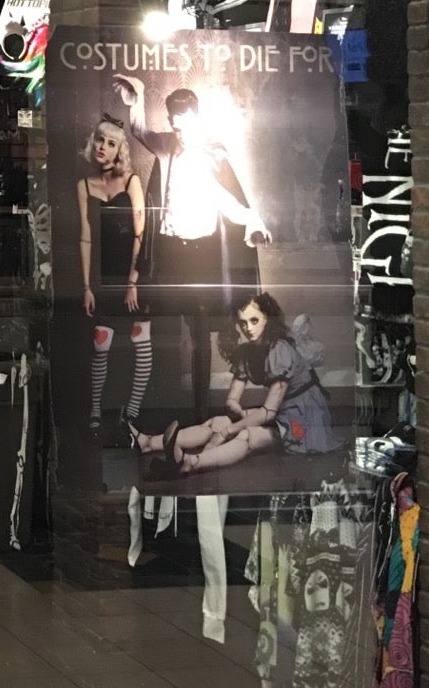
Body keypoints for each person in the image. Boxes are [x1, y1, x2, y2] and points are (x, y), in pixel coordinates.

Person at [111, 75, 269, 412]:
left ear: (197, 117)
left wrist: (253, 220)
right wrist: (138, 98)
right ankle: (166, 406)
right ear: (170, 122)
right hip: (171, 252)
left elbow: (229, 199)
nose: (181, 133)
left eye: (186, 125)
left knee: (200, 329)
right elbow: (140, 131)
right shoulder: (166, 146)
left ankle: (201, 408)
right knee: (167, 325)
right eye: (175, 126)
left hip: (203, 253)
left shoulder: (213, 152)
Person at [134, 292, 340, 474]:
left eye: (254, 320)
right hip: (280, 409)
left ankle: (190, 463)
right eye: (243, 323)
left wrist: (227, 432)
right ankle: (148, 443)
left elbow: (269, 412)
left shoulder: (280, 349)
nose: (248, 328)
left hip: (304, 415)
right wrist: (234, 409)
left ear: (267, 319)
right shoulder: (247, 353)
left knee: (247, 435)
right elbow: (233, 398)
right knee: (216, 423)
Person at [75, 116, 150, 428]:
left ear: (120, 149)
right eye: (99, 140)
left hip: (132, 275)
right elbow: (85, 236)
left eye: (111, 143)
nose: (102, 147)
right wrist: (86, 287)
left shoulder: (132, 182)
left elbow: (141, 232)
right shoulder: (84, 185)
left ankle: (131, 414)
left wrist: (133, 280)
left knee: (141, 345)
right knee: (100, 345)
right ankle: (95, 411)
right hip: (103, 277)